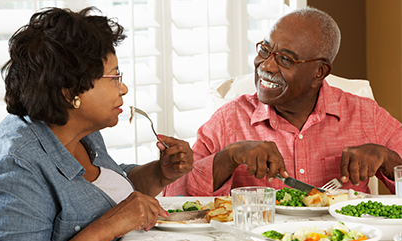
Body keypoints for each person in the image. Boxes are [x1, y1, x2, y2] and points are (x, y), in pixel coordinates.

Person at [0, 7, 193, 241]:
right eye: (114, 77)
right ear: (70, 91)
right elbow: (112, 215)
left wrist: (160, 173)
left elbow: (104, 191)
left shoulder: (79, 131)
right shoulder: (14, 172)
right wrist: (110, 226)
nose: (124, 88)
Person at [163, 7, 402, 197]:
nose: (266, 66)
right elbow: (174, 195)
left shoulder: (365, 115)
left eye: (286, 59)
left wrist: (388, 159)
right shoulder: (228, 120)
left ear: (319, 72)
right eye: (265, 50)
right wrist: (229, 156)